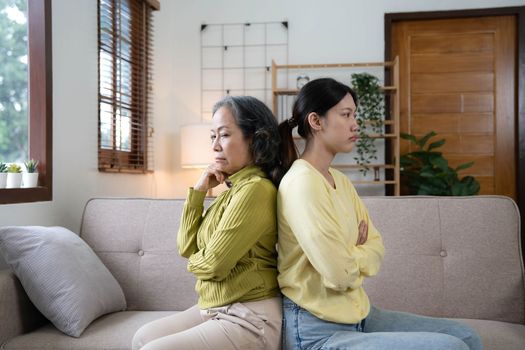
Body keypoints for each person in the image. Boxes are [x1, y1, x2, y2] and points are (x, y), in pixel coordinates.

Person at [276, 78, 483, 350]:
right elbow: (339, 274)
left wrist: (349, 252)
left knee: (467, 336)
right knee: (450, 347)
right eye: (346, 114)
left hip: (360, 314)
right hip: (318, 331)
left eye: (355, 115)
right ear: (316, 121)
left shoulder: (340, 181)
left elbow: (376, 247)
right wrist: (355, 251)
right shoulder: (302, 182)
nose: (355, 124)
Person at [132, 96, 283, 350]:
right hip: (217, 307)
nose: (214, 146)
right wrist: (199, 192)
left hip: (251, 316)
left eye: (223, 135)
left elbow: (214, 265)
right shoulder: (231, 192)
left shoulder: (256, 190)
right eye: (212, 136)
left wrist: (201, 259)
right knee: (142, 338)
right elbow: (186, 247)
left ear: (255, 138)